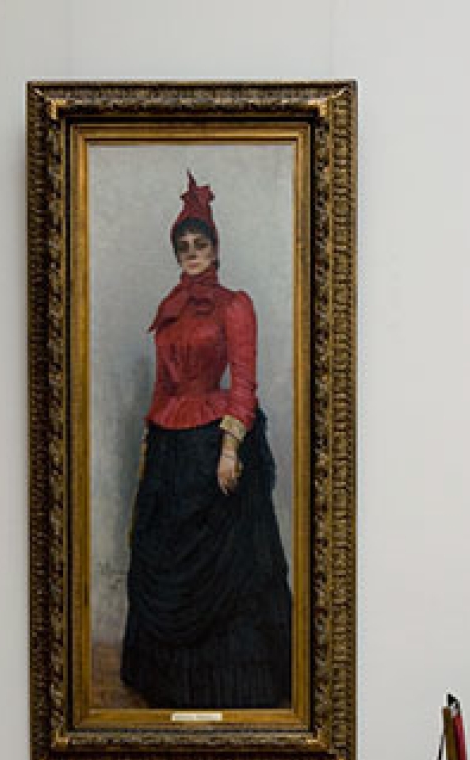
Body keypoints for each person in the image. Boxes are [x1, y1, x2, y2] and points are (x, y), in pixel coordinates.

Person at [121, 172, 292, 709]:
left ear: (216, 249)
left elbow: (244, 381)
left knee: (228, 572)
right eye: (184, 246)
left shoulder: (234, 305)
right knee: (160, 553)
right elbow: (163, 386)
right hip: (171, 445)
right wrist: (150, 448)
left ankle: (230, 687)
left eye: (200, 244)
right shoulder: (169, 308)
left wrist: (230, 448)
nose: (192, 253)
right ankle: (169, 684)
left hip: (215, 440)